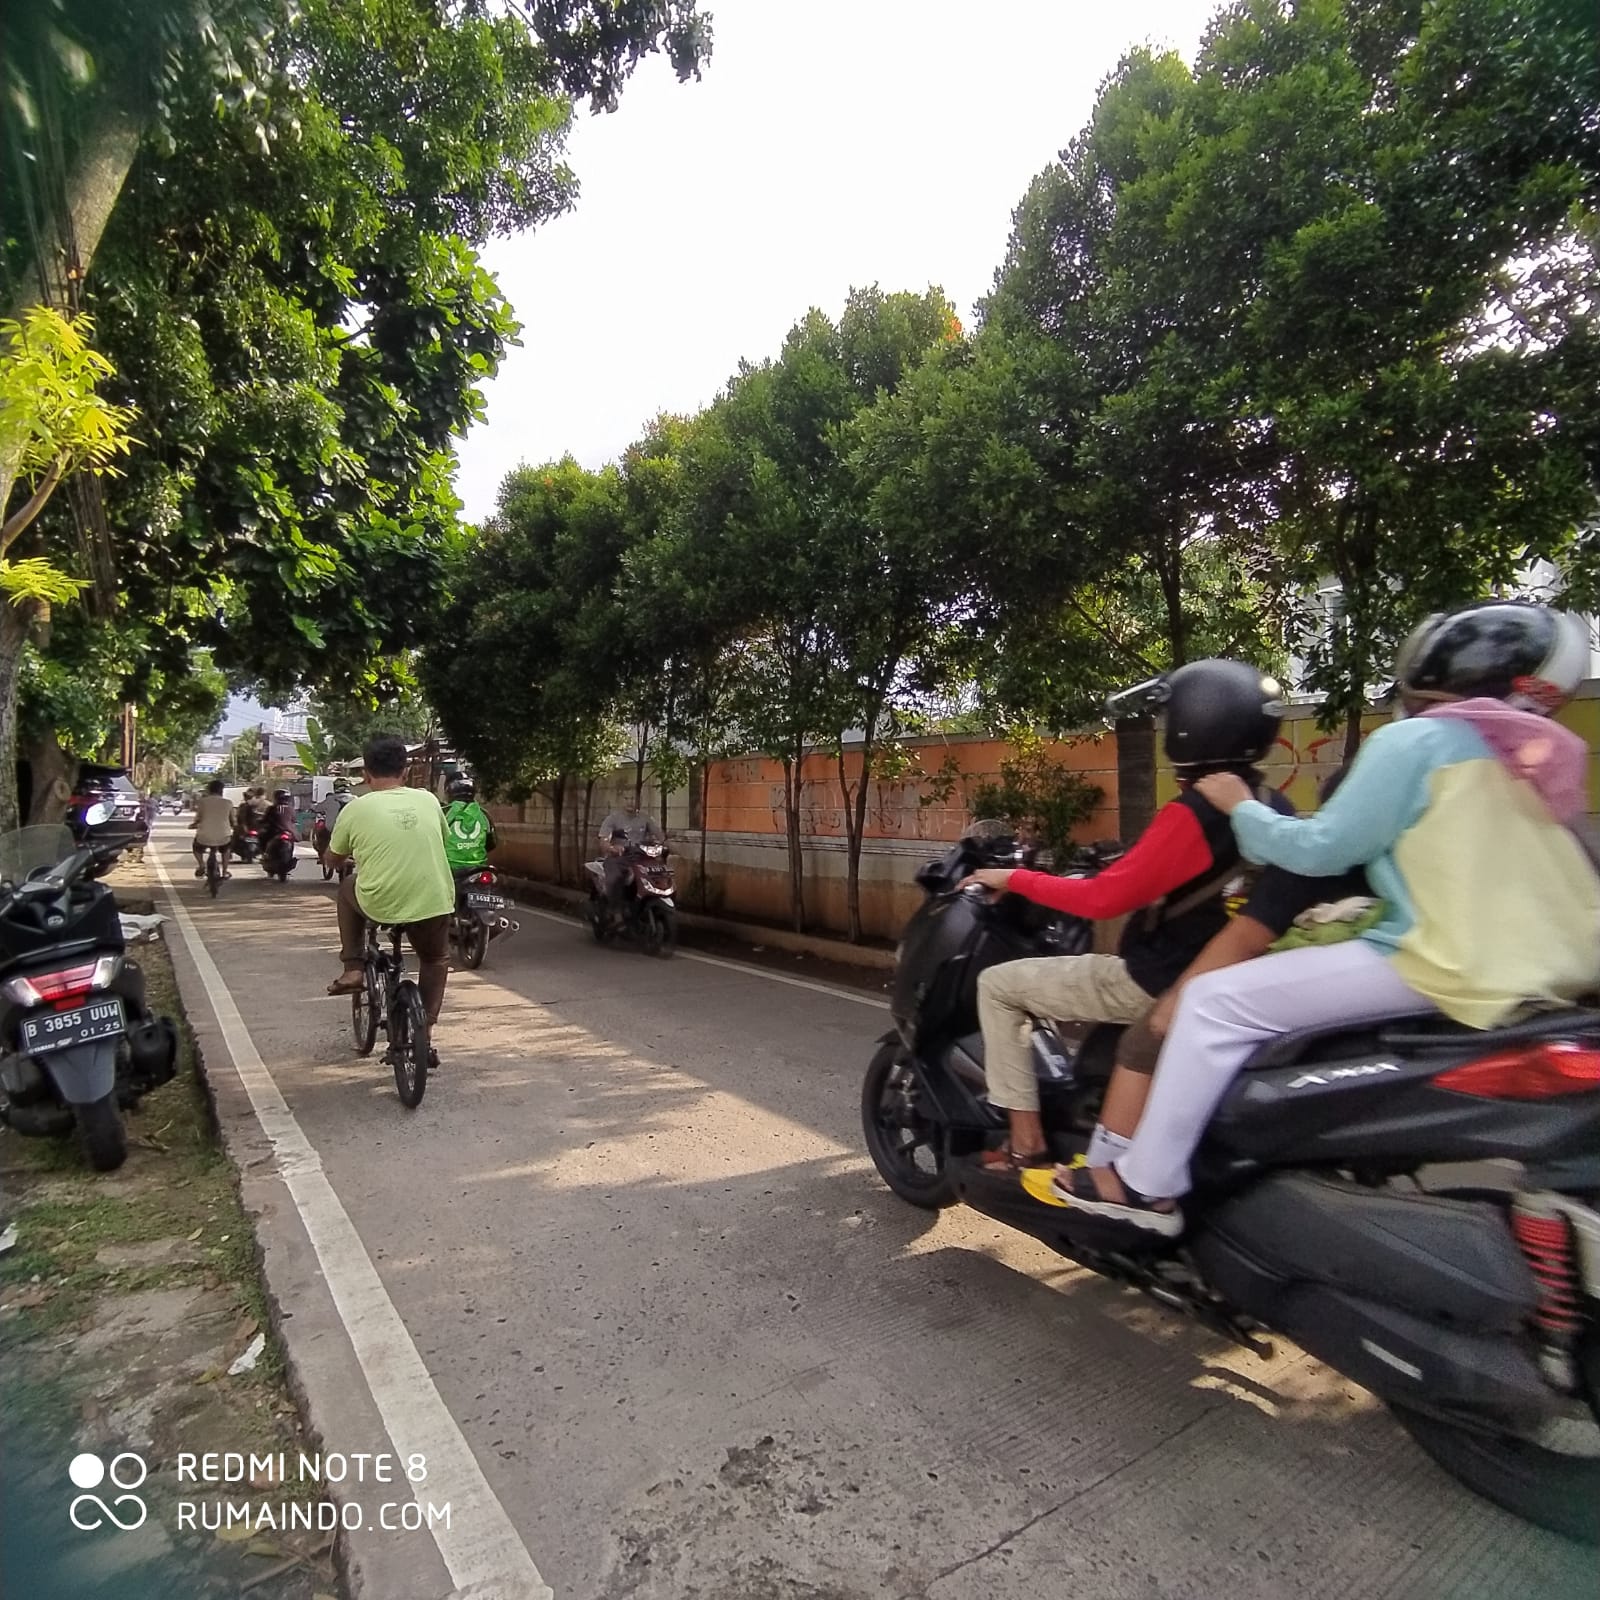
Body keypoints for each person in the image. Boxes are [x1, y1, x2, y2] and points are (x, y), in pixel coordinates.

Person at [1053, 600, 1600, 1234]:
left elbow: (1318, 851)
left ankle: (1144, 1186)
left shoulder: (1417, 741)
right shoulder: (1538, 759)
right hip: (1560, 971)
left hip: (1454, 961)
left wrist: (1238, 807)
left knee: (1209, 1004)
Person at [960, 659, 1291, 1169]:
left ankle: (1025, 1143)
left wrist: (1012, 878)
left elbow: (1102, 900)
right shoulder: (1273, 805)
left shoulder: (1193, 812)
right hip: (1233, 982)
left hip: (1156, 981)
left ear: (1193, 727)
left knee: (998, 986)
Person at [324, 734, 455, 1028]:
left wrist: (333, 858)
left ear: (366, 774)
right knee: (435, 959)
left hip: (379, 902)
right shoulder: (429, 800)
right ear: (405, 771)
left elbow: (332, 859)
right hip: (433, 900)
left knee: (347, 887)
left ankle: (353, 968)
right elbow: (442, 840)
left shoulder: (356, 808)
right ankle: (426, 1028)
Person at [596, 800, 663, 912]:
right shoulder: (612, 819)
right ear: (622, 800)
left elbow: (660, 836)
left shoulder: (646, 818)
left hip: (641, 857)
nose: (630, 802)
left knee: (658, 874)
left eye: (633, 798)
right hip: (618, 858)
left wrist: (665, 845)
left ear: (639, 799)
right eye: (627, 798)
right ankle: (615, 911)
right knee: (615, 878)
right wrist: (612, 848)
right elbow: (603, 841)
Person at [442, 775, 497, 876]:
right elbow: (492, 843)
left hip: (450, 869)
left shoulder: (445, 812)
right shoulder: (484, 814)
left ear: (449, 791)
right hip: (479, 868)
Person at [189, 780, 236, 877]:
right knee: (227, 849)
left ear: (209, 790)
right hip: (223, 837)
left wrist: (193, 825)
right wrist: (233, 825)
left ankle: (201, 865)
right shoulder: (228, 803)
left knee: (196, 848)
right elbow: (232, 820)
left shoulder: (202, 802)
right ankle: (225, 871)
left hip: (204, 837)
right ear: (221, 790)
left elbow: (198, 818)